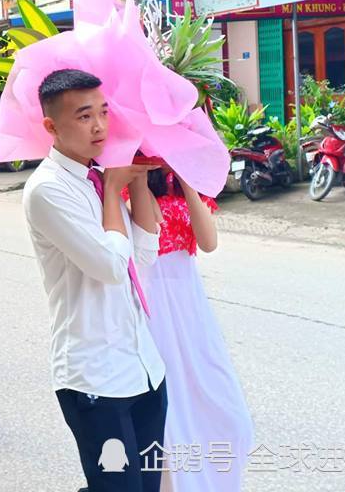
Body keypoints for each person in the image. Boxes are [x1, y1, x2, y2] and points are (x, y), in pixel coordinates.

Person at [22, 69, 166, 492]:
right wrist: (112, 191)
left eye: (104, 112)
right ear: (52, 126)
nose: (100, 125)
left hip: (144, 369)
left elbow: (141, 256)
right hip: (94, 380)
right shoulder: (48, 190)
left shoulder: (101, 174)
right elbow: (108, 265)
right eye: (85, 116)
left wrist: (135, 179)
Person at [127, 169, 253, 492]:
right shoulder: (135, 179)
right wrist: (143, 174)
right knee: (172, 415)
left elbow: (208, 242)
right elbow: (149, 234)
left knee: (228, 410)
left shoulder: (185, 181)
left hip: (192, 305)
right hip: (156, 304)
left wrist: (186, 178)